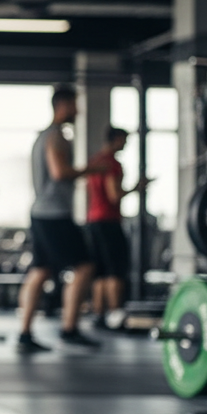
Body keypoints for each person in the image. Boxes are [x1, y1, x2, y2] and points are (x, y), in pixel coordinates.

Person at [16, 86, 103, 354]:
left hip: (40, 213)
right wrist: (92, 169)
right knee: (85, 267)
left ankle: (25, 333)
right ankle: (69, 329)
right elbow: (59, 172)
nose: (78, 111)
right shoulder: (55, 136)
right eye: (75, 105)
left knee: (40, 271)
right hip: (54, 214)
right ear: (63, 104)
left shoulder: (43, 136)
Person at [85, 127, 148, 327]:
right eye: (124, 141)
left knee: (101, 271)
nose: (126, 145)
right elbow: (114, 195)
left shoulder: (95, 161)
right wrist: (136, 188)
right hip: (109, 221)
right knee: (115, 270)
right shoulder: (111, 164)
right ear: (117, 139)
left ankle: (99, 315)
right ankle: (115, 315)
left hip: (93, 221)